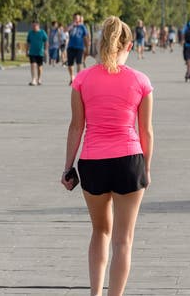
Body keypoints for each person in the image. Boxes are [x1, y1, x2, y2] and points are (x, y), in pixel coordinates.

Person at [61, 16, 153, 296]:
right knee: (123, 241)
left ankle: (95, 294)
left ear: (101, 43)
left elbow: (77, 126)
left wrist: (67, 167)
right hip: (129, 162)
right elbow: (146, 131)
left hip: (92, 163)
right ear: (130, 44)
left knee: (100, 231)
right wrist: (146, 169)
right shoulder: (140, 81)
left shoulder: (82, 79)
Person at [67, 12, 90, 85]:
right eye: (75, 18)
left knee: (79, 63)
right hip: (70, 47)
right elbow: (65, 30)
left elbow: (85, 37)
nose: (76, 19)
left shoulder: (82, 27)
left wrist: (87, 47)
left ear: (79, 19)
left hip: (79, 47)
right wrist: (72, 26)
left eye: (77, 18)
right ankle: (72, 77)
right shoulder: (71, 26)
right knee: (70, 64)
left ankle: (78, 79)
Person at [26, 21, 48, 86]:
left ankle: (39, 78)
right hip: (32, 52)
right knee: (33, 65)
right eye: (32, 26)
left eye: (34, 26)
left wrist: (45, 50)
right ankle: (33, 79)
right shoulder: (30, 33)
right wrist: (27, 50)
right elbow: (28, 42)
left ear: (38, 26)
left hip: (40, 52)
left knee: (39, 67)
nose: (33, 27)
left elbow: (46, 41)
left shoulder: (42, 32)